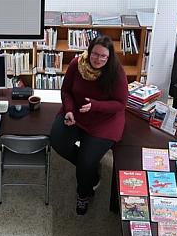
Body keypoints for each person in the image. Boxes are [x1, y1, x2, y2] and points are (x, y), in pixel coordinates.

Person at [50, 34, 128, 214]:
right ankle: (91, 168)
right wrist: (69, 110)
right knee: (57, 141)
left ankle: (83, 194)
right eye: (95, 54)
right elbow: (66, 91)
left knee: (86, 162)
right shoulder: (77, 64)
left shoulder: (116, 72)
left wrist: (95, 105)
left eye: (103, 56)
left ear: (109, 57)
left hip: (105, 121)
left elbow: (120, 104)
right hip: (77, 113)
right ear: (89, 51)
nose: (98, 59)